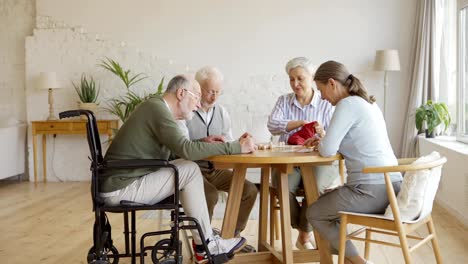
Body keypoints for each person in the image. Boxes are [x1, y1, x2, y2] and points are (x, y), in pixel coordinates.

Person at [98, 74, 257, 262]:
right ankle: (206, 245)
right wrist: (237, 147)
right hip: (120, 188)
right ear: (181, 93)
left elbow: (175, 153)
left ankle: (204, 244)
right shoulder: (157, 109)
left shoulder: (156, 108)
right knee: (189, 169)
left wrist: (202, 142)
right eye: (197, 97)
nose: (199, 104)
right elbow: (186, 150)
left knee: (186, 167)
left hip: (124, 181)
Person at [305, 60, 403, 264]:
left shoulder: (347, 104)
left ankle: (358, 261)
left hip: (371, 191)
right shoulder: (368, 102)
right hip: (392, 186)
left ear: (332, 83)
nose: (322, 96)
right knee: (329, 201)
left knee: (315, 212)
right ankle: (346, 259)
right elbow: (356, 143)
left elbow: (328, 150)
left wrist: (323, 142)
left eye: (321, 90)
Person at [267, 57, 340, 250]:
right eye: (291, 79)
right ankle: (304, 229)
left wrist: (323, 134)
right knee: (283, 186)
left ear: (312, 77)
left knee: (313, 187)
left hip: (321, 160)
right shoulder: (284, 101)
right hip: (288, 161)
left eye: (300, 78)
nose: (295, 84)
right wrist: (300, 123)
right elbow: (272, 125)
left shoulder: (326, 102)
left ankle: (304, 236)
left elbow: (337, 135)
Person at [185, 67, 258, 245]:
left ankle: (230, 237)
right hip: (190, 170)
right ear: (199, 88)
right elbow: (180, 146)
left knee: (249, 190)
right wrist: (203, 141)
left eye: (218, 92)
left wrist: (238, 143)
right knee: (209, 195)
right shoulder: (185, 111)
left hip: (214, 169)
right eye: (211, 91)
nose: (214, 97)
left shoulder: (222, 112)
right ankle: (202, 243)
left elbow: (228, 141)